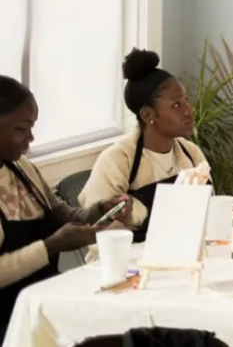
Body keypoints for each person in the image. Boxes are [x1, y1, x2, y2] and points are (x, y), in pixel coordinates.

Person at [0, 76, 131, 340]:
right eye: (21, 129)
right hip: (10, 321)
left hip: (46, 304)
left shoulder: (21, 167)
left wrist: (99, 211)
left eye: (32, 128)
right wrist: (51, 247)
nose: (30, 138)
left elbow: (62, 215)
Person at [80, 48, 206, 242]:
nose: (189, 111)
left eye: (186, 101)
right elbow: (100, 239)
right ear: (148, 115)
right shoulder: (117, 160)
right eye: (176, 105)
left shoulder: (191, 154)